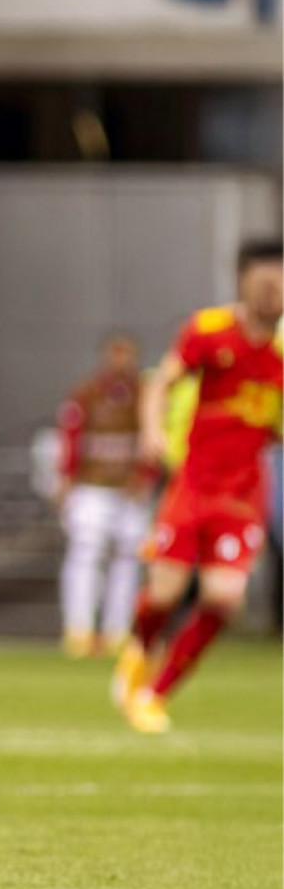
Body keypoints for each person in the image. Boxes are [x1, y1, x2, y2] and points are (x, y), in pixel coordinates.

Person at [112, 239, 282, 734]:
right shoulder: (209, 330)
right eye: (265, 283)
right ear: (243, 282)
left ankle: (154, 694)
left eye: (281, 284)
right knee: (164, 591)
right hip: (193, 483)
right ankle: (140, 648)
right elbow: (160, 383)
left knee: (224, 597)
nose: (274, 293)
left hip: (244, 492)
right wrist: (151, 430)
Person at [53, 333, 152, 658]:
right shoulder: (87, 393)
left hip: (129, 490)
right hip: (91, 486)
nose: (121, 360)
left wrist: (145, 476)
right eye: (116, 353)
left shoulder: (145, 394)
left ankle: (117, 630)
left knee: (128, 558)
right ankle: (79, 629)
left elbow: (153, 437)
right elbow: (70, 436)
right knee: (85, 553)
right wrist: (66, 479)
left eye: (127, 353)